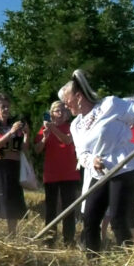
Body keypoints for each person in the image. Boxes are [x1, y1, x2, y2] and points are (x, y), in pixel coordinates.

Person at [60, 70, 134, 254]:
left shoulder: (109, 104)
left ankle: (128, 263)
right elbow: (81, 154)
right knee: (90, 218)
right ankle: (93, 263)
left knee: (117, 218)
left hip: (123, 165)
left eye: (67, 102)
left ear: (79, 96)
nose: (66, 107)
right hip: (99, 172)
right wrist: (92, 160)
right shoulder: (75, 125)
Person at [34, 100, 80, 246]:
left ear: (67, 114)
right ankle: (49, 239)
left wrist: (52, 128)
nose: (60, 113)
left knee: (68, 208)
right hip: (51, 174)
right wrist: (44, 137)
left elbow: (67, 141)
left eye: (62, 111)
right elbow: (37, 150)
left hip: (69, 173)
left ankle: (68, 240)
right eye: (56, 111)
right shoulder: (45, 129)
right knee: (50, 209)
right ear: (51, 113)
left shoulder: (72, 127)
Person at [0, 93, 29, 236]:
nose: (6, 109)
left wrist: (27, 134)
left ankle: (12, 238)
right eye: (3, 107)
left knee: (13, 203)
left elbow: (24, 148)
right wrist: (11, 133)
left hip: (13, 166)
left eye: (8, 106)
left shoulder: (14, 124)